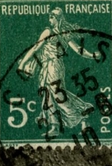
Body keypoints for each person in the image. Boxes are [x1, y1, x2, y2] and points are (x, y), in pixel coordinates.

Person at [17, 8, 100, 138]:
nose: (50, 19)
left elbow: (35, 48)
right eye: (49, 17)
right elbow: (79, 50)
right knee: (48, 94)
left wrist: (22, 64)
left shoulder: (48, 32)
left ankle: (82, 112)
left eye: (52, 17)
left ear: (58, 18)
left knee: (57, 94)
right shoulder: (64, 33)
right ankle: (56, 126)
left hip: (52, 66)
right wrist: (92, 55)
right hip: (50, 66)